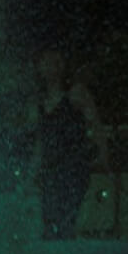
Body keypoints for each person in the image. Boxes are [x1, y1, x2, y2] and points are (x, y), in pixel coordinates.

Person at [25, 48, 101, 240]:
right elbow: (39, 144)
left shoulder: (76, 95)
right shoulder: (39, 104)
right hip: (50, 173)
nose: (50, 66)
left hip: (73, 170)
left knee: (68, 221)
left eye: (55, 61)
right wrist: (31, 175)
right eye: (45, 61)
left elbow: (96, 128)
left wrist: (101, 159)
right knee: (50, 223)